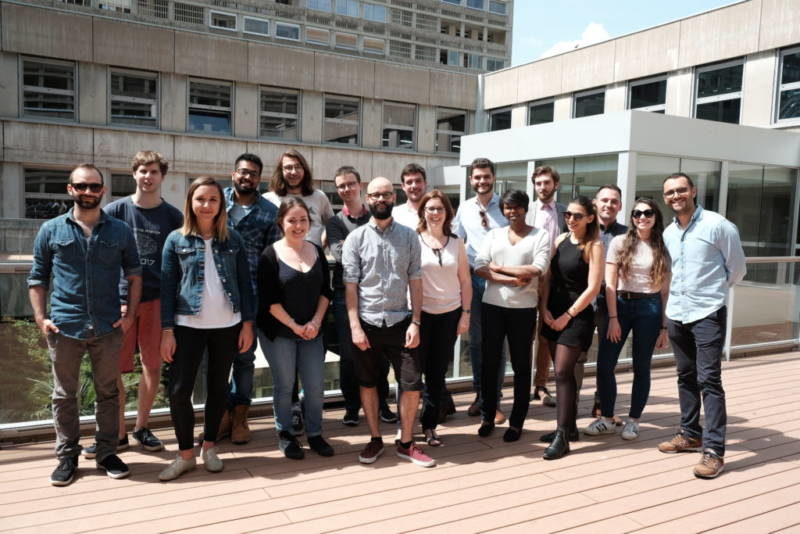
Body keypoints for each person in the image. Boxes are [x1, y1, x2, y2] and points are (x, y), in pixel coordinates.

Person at [28, 163, 142, 486]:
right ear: (70, 189)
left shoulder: (120, 231)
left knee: (108, 392)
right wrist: (40, 318)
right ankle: (67, 457)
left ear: (103, 191)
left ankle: (107, 453)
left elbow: (135, 275)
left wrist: (130, 316)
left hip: (107, 326)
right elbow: (37, 278)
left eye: (94, 186)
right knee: (64, 395)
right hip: (65, 326)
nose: (88, 192)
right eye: (81, 186)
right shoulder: (51, 230)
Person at [158, 177, 255, 481]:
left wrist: (247, 324)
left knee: (218, 389)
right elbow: (167, 287)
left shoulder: (233, 239)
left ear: (220, 205)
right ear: (191, 202)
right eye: (200, 199)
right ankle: (186, 454)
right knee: (179, 390)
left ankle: (209, 446)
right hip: (187, 325)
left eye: (213, 199)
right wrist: (167, 330)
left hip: (227, 325)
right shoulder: (176, 240)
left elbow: (245, 284)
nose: (206, 205)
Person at [90, 151, 182, 460]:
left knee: (152, 365)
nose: (148, 176)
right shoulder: (115, 210)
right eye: (143, 170)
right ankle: (118, 433)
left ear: (162, 176)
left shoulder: (173, 217)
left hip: (157, 300)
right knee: (114, 368)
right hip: (120, 302)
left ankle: (142, 426)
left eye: (154, 171)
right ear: (134, 174)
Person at [657, 173, 746, 479]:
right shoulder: (669, 232)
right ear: (665, 197)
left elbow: (737, 269)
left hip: (707, 313)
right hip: (677, 313)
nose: (676, 195)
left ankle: (714, 451)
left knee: (709, 380)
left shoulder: (718, 225)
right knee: (685, 376)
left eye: (681, 189)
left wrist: (713, 293)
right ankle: (690, 433)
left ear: (693, 191)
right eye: (670, 192)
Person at [342, 176, 435, 467]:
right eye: (375, 195)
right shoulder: (355, 239)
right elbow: (350, 286)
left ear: (394, 197)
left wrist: (416, 322)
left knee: (412, 384)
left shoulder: (409, 237)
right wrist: (355, 327)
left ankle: (406, 442)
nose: (380, 199)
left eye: (385, 194)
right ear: (367, 199)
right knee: (368, 383)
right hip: (367, 324)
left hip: (401, 322)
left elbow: (416, 281)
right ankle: (375, 439)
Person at [583, 198, 670, 441]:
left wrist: (664, 326)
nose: (642, 217)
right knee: (605, 365)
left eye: (648, 212)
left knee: (641, 366)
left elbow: (665, 291)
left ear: (655, 216)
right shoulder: (620, 242)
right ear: (632, 217)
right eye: (637, 213)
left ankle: (634, 420)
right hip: (620, 305)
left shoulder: (663, 245)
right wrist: (612, 317)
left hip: (649, 307)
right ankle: (607, 418)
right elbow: (610, 283)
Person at [258, 197, 334, 460]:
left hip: (312, 331)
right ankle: (286, 434)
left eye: (303, 220)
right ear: (281, 222)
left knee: (314, 387)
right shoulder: (270, 255)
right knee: (285, 385)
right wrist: (295, 326)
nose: (299, 225)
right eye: (292, 220)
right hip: (280, 332)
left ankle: (315, 433)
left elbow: (326, 292)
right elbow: (269, 302)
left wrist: (315, 322)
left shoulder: (316, 251)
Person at [474, 190, 550, 442]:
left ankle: (517, 422)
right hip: (492, 307)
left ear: (525, 209)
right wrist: (510, 280)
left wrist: (499, 267)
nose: (512, 212)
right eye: (507, 207)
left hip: (523, 310)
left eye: (517, 207)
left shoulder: (540, 235)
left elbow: (538, 268)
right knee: (489, 364)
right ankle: (487, 417)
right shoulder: (493, 235)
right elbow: (479, 266)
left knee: (521, 367)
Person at [326, 166, 395, 427]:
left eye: (350, 184)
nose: (346, 189)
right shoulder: (334, 222)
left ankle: (383, 404)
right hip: (344, 295)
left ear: (361, 186)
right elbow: (341, 256)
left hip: (377, 293)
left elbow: (385, 250)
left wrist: (354, 247)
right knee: (349, 354)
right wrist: (366, 248)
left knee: (380, 353)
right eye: (341, 186)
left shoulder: (376, 213)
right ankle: (352, 407)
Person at [539, 196, 603, 459]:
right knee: (561, 373)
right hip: (553, 313)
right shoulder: (561, 240)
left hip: (577, 317)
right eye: (568, 215)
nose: (571, 220)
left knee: (563, 372)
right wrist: (543, 307)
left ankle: (562, 436)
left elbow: (593, 288)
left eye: (577, 216)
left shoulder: (594, 245)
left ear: (590, 218)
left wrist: (567, 315)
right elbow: (548, 278)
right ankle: (569, 428)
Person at [220, 152, 278, 444]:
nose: (247, 177)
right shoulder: (215, 201)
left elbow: (271, 259)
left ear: (259, 179)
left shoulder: (269, 212)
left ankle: (240, 415)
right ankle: (219, 415)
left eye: (253, 174)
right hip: (214, 294)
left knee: (244, 359)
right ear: (234, 174)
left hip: (250, 298)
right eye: (243, 172)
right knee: (216, 360)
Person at [452, 158, 508, 424]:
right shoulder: (465, 208)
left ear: (493, 178)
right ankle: (480, 395)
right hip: (473, 279)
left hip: (499, 281)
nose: (482, 181)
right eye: (477, 177)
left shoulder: (505, 206)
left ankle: (494, 400)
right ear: (471, 180)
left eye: (486, 176)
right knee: (476, 341)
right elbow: (455, 240)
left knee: (497, 341)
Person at [416, 190, 471, 446]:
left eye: (439, 208)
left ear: (447, 213)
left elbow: (465, 281)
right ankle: (406, 425)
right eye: (430, 208)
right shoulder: (414, 240)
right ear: (423, 212)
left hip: (449, 315)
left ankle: (429, 425)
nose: (435, 213)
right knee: (412, 373)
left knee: (436, 374)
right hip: (420, 316)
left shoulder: (456, 243)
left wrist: (465, 314)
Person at [526, 165, 567, 408]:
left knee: (546, 334)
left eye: (547, 183)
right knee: (525, 332)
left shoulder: (565, 212)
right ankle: (522, 383)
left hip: (554, 279)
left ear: (555, 184)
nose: (542, 187)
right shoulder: (527, 210)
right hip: (528, 277)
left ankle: (540, 384)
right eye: (538, 183)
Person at [587, 185, 628, 418]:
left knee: (607, 359)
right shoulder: (583, 229)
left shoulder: (628, 235)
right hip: (583, 301)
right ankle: (570, 405)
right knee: (576, 357)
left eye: (614, 201)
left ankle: (601, 404)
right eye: (604, 200)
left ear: (620, 206)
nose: (609, 205)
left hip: (611, 302)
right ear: (595, 203)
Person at [264, 149, 334, 247]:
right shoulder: (268, 199)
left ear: (304, 170)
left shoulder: (319, 197)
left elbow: (333, 224)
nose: (293, 172)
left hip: (314, 255)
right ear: (281, 171)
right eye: (288, 167)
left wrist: (322, 242)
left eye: (298, 167)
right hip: (279, 255)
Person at [392, 163, 427, 229]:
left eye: (418, 181)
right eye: (409, 182)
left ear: (425, 183)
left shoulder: (437, 213)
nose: (414, 186)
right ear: (403, 186)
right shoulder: (394, 214)